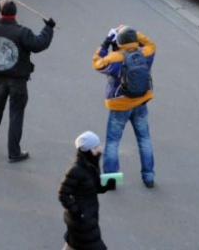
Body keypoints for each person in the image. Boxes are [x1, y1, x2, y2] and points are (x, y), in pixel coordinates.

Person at [0, 0, 55, 162]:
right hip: (18, 81)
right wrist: (48, 28)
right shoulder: (22, 32)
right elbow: (39, 44)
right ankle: (14, 152)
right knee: (16, 115)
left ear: (0, 12)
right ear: (15, 13)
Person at [92, 26, 157, 188]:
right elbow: (151, 44)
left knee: (113, 142)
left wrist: (106, 42)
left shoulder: (115, 58)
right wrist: (135, 33)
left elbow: (97, 63)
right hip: (141, 102)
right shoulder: (146, 53)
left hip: (120, 105)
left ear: (118, 42)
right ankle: (148, 177)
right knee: (144, 139)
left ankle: (111, 180)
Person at [58, 131, 116, 250]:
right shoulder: (76, 170)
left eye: (99, 145)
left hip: (87, 215)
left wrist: (107, 185)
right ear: (86, 150)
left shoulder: (92, 165)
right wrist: (77, 212)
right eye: (95, 147)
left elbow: (94, 188)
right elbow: (62, 194)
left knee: (73, 243)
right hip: (83, 220)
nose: (100, 149)